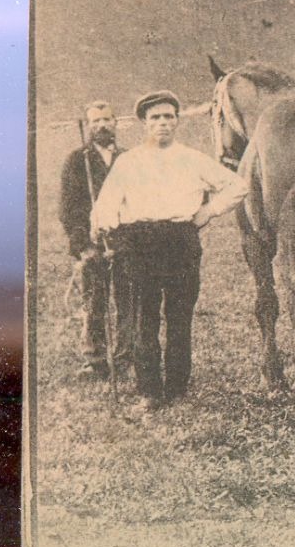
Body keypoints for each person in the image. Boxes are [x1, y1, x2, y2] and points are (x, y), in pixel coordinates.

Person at [90, 91, 248, 414]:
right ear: (144, 124)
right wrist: (105, 227)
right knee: (142, 319)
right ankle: (149, 391)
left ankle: (177, 387)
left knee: (179, 317)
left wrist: (208, 211)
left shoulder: (191, 158)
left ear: (176, 121)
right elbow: (104, 206)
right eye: (155, 118)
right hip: (139, 244)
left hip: (181, 241)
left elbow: (238, 186)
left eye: (168, 117)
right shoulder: (129, 161)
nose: (162, 123)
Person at [59, 101, 124, 382]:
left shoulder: (127, 157)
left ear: (116, 122)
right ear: (88, 126)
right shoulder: (78, 160)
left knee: (127, 300)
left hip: (124, 242)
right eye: (95, 121)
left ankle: (124, 356)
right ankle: (95, 358)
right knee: (94, 301)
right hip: (93, 242)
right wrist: (81, 244)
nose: (102, 125)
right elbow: (69, 206)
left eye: (107, 120)